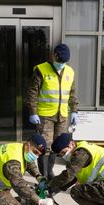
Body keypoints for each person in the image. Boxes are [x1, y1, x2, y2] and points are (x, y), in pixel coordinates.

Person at [26, 43, 79, 181]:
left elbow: (72, 93)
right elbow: (32, 92)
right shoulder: (41, 70)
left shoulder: (70, 72)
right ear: (54, 56)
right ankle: (42, 177)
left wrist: (74, 111)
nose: (61, 64)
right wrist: (33, 112)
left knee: (57, 146)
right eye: (60, 61)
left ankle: (49, 172)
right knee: (45, 147)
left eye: (64, 62)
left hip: (62, 115)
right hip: (45, 116)